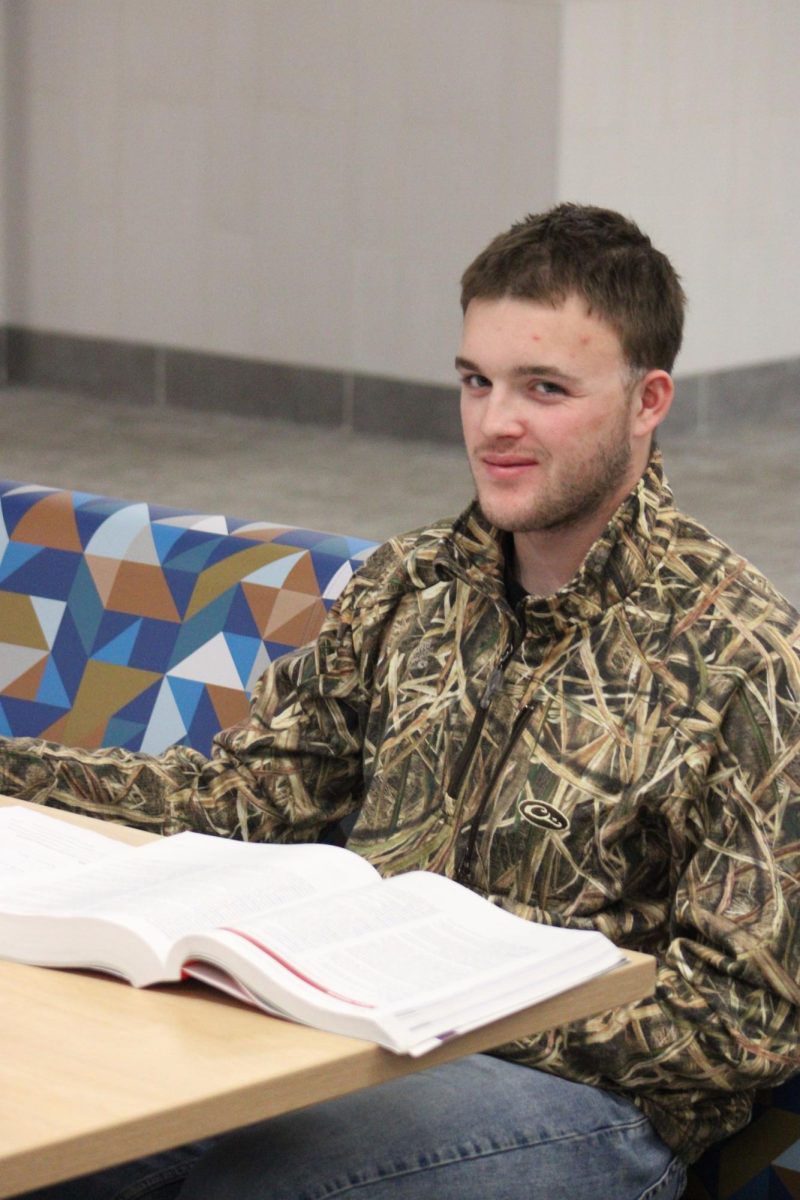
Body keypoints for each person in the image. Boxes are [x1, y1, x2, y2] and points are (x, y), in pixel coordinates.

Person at [3, 203, 798, 1200]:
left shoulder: (740, 653)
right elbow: (243, 802)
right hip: (349, 1041)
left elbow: (739, 1025)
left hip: (588, 1115)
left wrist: (450, 1012)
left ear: (647, 401)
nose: (493, 422)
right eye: (476, 382)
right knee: (70, 1154)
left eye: (543, 389)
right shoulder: (410, 585)